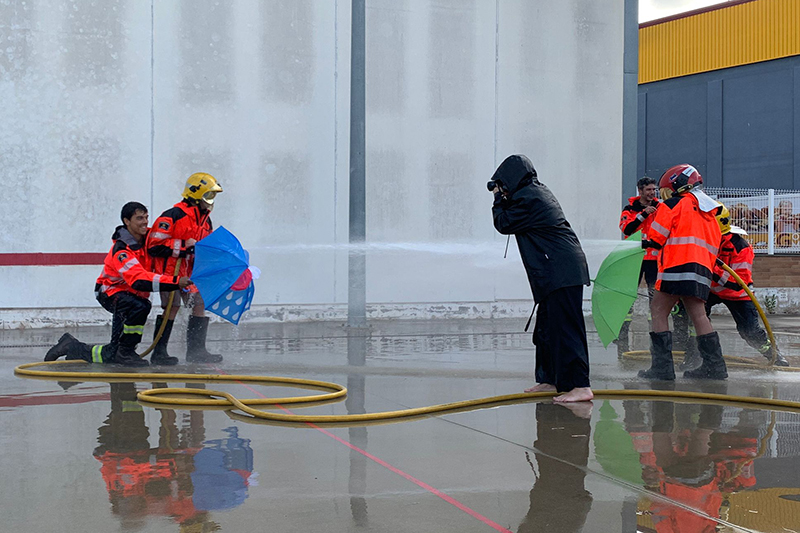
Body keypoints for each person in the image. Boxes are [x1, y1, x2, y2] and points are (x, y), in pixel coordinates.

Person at [491, 154, 593, 402]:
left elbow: (503, 223)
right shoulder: (530, 193)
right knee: (547, 328)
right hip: (554, 270)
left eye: (502, 184)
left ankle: (580, 386)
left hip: (561, 270)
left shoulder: (530, 197)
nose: (502, 189)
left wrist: (497, 199)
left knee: (567, 328)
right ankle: (550, 380)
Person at [45, 202, 191, 366]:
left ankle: (72, 346)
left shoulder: (149, 240)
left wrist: (187, 246)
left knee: (112, 353)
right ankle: (126, 352)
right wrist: (175, 282)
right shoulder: (122, 250)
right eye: (139, 218)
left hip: (131, 298)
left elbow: (165, 244)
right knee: (140, 307)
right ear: (126, 221)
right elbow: (139, 280)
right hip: (111, 293)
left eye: (146, 217)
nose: (145, 222)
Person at [641, 164, 726, 380]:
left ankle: (662, 369)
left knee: (658, 310)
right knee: (698, 314)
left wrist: (645, 241)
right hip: (702, 269)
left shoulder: (672, 205)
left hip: (676, 266)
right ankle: (715, 367)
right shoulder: (710, 211)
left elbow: (657, 237)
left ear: (678, 185)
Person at [147, 172, 224, 363]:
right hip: (170, 272)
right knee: (172, 308)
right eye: (209, 195)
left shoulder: (205, 220)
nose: (211, 200)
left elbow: (203, 246)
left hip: (190, 273)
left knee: (200, 303)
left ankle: (197, 352)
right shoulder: (173, 216)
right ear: (195, 195)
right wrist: (182, 246)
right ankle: (159, 353)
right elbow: (154, 245)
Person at [704, 205, 789, 366]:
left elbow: (737, 284)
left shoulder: (741, 247)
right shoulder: (708, 241)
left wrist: (711, 265)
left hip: (738, 295)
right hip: (712, 290)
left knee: (750, 332)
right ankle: (695, 355)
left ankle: (775, 357)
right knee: (694, 317)